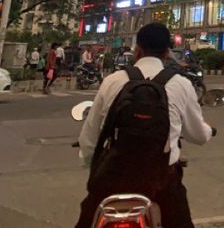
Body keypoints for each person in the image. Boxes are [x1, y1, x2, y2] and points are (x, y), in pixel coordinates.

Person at [75, 22, 214, 228]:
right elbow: (198, 135)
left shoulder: (113, 81)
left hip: (114, 176)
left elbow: (89, 137)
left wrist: (89, 164)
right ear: (167, 52)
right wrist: (209, 131)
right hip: (162, 182)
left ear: (137, 49)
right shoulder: (181, 84)